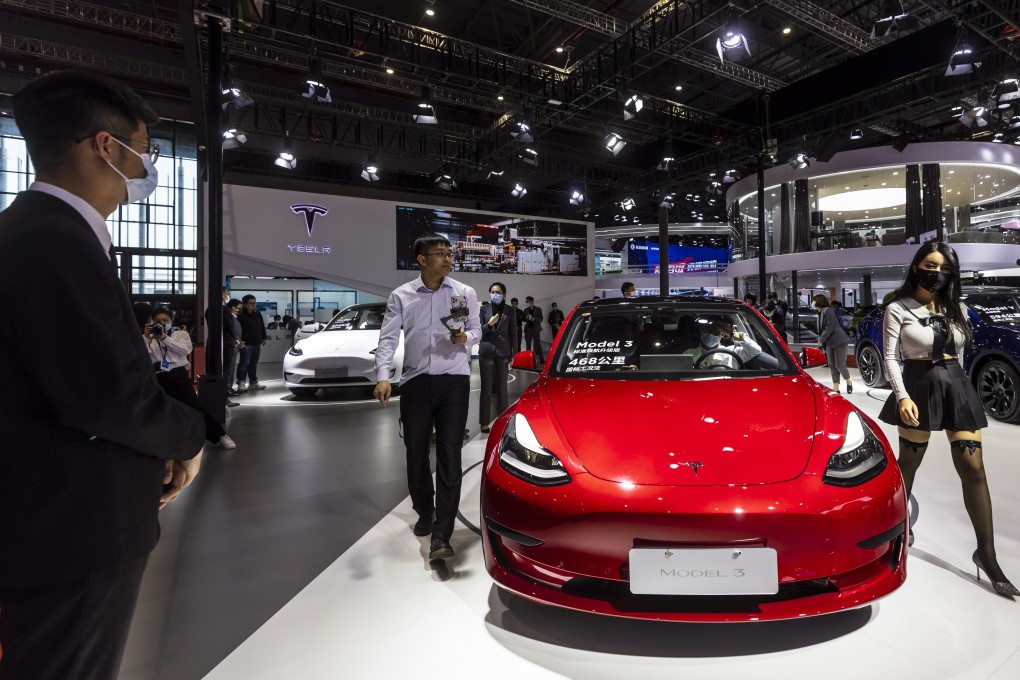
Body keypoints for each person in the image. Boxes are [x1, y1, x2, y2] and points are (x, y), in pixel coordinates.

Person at [0, 70, 205, 680]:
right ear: (106, 147)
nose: (146, 165)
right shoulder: (52, 241)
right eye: (143, 148)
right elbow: (106, 396)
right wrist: (188, 438)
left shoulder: (35, 232)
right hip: (71, 533)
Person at [878, 242, 1017, 598]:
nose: (936, 273)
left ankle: (986, 554)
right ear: (915, 266)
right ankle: (896, 529)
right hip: (918, 384)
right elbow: (891, 357)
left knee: (974, 468)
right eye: (929, 264)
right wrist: (903, 395)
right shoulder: (898, 307)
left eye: (944, 269)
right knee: (908, 464)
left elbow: (960, 351)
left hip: (955, 384)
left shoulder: (958, 308)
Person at [373, 233, 481, 562]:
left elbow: (477, 329)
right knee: (416, 451)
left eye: (449, 253)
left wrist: (466, 337)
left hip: (454, 381)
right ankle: (424, 507)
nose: (447, 259)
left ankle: (442, 534)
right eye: (439, 254)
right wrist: (382, 377)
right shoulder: (401, 296)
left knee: (450, 455)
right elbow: (388, 338)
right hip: (416, 381)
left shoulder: (465, 292)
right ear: (422, 259)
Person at [146, 306, 236, 449]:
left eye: (165, 320)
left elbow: (184, 350)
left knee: (194, 407)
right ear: (152, 321)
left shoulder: (180, 334)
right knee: (160, 410)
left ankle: (220, 435)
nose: (161, 323)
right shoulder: (148, 337)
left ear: (172, 320)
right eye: (158, 320)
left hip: (177, 375)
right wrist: (146, 338)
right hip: (156, 376)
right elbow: (143, 357)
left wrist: (164, 338)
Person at [478, 282, 519, 433]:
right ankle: (484, 422)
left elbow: (513, 333)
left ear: (504, 294)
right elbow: (478, 331)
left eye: (498, 292)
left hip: (503, 352)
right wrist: (489, 324)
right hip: (486, 351)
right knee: (486, 389)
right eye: (493, 291)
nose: (495, 294)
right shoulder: (484, 309)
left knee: (502, 388)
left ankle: (502, 420)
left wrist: (514, 354)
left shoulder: (510, 310)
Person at [813, 294, 853, 393]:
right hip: (830, 343)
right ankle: (836, 387)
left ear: (819, 301)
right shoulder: (819, 313)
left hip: (839, 341)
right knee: (832, 365)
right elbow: (820, 331)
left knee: (840, 365)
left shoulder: (828, 310)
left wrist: (821, 340)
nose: (812, 303)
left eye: (814, 301)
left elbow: (829, 327)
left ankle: (849, 382)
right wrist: (820, 344)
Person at [236, 294, 268, 392]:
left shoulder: (257, 313)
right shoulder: (240, 315)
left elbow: (262, 326)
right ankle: (241, 383)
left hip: (256, 343)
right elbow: (236, 329)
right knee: (244, 363)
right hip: (246, 344)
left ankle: (253, 383)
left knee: (253, 364)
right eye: (251, 303)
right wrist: (239, 340)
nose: (253, 305)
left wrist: (264, 337)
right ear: (245, 304)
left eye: (254, 303)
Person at [224, 298, 243, 401]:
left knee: (231, 369)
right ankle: (227, 389)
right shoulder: (229, 318)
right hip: (232, 345)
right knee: (229, 370)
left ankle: (229, 388)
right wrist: (239, 342)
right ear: (232, 307)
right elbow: (233, 333)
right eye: (237, 308)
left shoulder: (233, 317)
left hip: (234, 345)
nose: (238, 310)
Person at [523, 295, 544, 364]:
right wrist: (526, 317)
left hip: (536, 329)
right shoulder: (525, 310)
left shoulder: (538, 309)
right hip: (528, 329)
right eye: (526, 301)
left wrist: (534, 319)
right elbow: (524, 319)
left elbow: (541, 318)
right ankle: (528, 359)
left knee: (538, 344)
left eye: (527, 301)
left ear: (531, 301)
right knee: (528, 345)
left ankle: (541, 358)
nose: (526, 302)